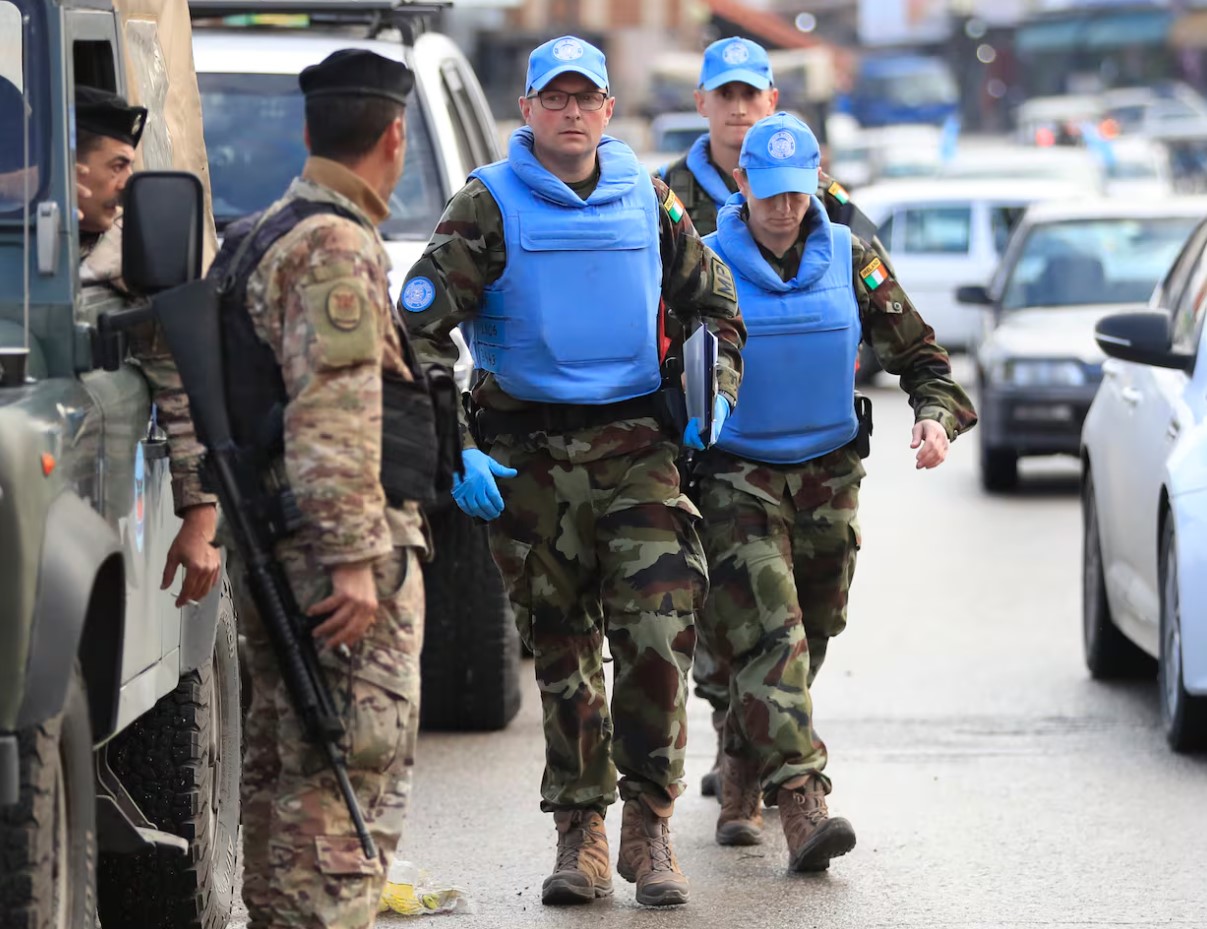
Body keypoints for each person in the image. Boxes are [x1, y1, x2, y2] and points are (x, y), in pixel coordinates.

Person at [402, 35, 745, 909]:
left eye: (584, 97)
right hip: (525, 454)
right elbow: (414, 334)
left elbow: (713, 300)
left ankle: (650, 821)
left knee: (660, 630)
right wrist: (457, 446)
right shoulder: (488, 205)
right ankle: (580, 829)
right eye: (552, 98)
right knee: (561, 648)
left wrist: (715, 391)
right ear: (526, 111)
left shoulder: (648, 198)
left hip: (637, 444)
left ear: (605, 108)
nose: (570, 112)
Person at [695, 112, 977, 871]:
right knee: (773, 633)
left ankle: (742, 750)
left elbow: (923, 357)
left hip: (828, 477)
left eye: (797, 194)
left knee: (813, 632)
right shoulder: (703, 263)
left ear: (816, 184)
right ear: (742, 184)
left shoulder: (852, 257)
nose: (783, 210)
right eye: (769, 194)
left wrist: (933, 419)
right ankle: (804, 802)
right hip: (736, 477)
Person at [209, 51, 428, 928]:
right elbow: (332, 418)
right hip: (328, 556)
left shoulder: (268, 229)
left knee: (285, 776)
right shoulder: (335, 244)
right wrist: (352, 564)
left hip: (279, 542)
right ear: (395, 135)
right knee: (344, 786)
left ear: (308, 132)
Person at [657, 36, 888, 798]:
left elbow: (866, 292)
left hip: (818, 453)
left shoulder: (822, 194)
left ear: (770, 105)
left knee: (806, 627)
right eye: (723, 96)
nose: (736, 109)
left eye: (748, 96)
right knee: (751, 621)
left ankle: (741, 748)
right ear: (703, 105)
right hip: (719, 449)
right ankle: (791, 786)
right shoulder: (666, 199)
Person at [74, 86, 221, 608]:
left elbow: (183, 384)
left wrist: (199, 524)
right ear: (73, 169)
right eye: (116, 166)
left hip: (85, 501)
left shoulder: (131, 260)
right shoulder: (23, 242)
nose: (126, 185)